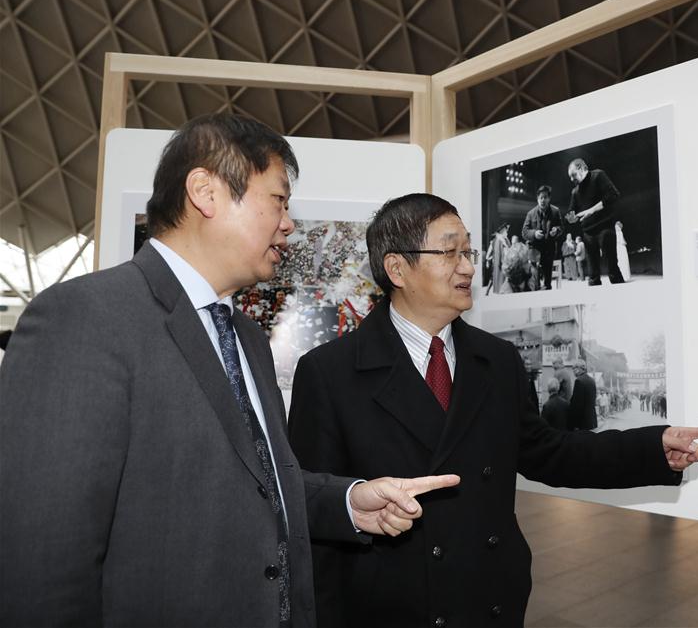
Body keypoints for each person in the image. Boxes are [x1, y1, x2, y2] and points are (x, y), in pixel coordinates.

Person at [0, 115, 457, 628]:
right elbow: (43, 557)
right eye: (279, 201)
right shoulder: (84, 318)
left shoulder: (245, 337)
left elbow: (252, 483)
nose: (288, 223)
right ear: (205, 192)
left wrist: (350, 502)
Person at [288, 193, 698, 628]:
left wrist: (651, 447)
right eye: (449, 251)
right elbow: (314, 513)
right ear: (397, 268)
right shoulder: (330, 373)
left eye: (468, 251)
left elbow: (549, 453)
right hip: (390, 609)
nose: (468, 267)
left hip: (489, 600)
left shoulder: (496, 360)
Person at [566, 158, 623, 285]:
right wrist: (571, 218)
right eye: (570, 177)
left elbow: (613, 195)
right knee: (592, 277)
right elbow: (571, 211)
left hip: (605, 228)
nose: (571, 179)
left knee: (612, 270)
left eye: (573, 175)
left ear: (581, 168)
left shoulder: (598, 175)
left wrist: (591, 210)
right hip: (588, 234)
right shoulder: (574, 191)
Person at [521, 185, 563, 290]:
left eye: (545, 197)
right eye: (541, 198)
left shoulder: (555, 211)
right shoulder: (530, 214)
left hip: (549, 250)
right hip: (534, 252)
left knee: (547, 284)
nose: (543, 200)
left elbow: (562, 227)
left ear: (549, 198)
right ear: (537, 199)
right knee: (535, 283)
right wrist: (534, 234)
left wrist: (556, 230)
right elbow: (524, 232)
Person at [570, 359, 598, 430]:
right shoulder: (592, 380)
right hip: (591, 420)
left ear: (579, 368)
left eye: (574, 368)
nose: (573, 370)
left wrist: (575, 424)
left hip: (582, 422)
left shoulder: (579, 381)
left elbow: (577, 405)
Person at [485, 223, 510, 295]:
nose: (507, 231)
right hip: (500, 264)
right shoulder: (497, 241)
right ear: (502, 230)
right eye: (506, 229)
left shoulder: (505, 240)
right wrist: (493, 258)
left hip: (505, 264)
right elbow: (488, 256)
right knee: (496, 279)